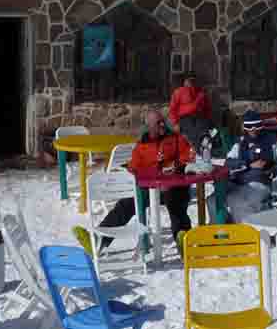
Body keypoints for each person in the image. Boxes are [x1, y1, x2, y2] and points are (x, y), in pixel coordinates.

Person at [72, 109, 195, 254]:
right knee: (126, 204)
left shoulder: (175, 139)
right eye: (158, 123)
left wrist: (176, 167)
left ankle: (184, 241)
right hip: (150, 188)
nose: (162, 125)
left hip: (174, 186)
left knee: (175, 201)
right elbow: (133, 170)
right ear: (149, 126)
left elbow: (189, 157)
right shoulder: (141, 146)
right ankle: (99, 240)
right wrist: (147, 175)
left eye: (163, 121)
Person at [214, 113, 277, 222]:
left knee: (238, 201)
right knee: (213, 200)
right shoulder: (241, 143)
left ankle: (248, 232)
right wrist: (246, 164)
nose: (253, 130)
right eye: (249, 127)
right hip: (237, 182)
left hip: (259, 182)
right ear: (244, 128)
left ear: (261, 125)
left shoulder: (272, 142)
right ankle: (221, 228)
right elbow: (229, 162)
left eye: (257, 126)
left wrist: (273, 171)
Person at [169, 72, 212, 150]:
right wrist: (175, 123)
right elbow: (172, 109)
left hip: (199, 116)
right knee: (192, 131)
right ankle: (199, 150)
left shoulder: (201, 93)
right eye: (189, 80)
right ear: (185, 81)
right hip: (185, 118)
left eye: (193, 80)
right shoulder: (179, 92)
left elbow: (207, 108)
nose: (191, 82)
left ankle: (205, 146)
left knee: (203, 130)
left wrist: (208, 119)